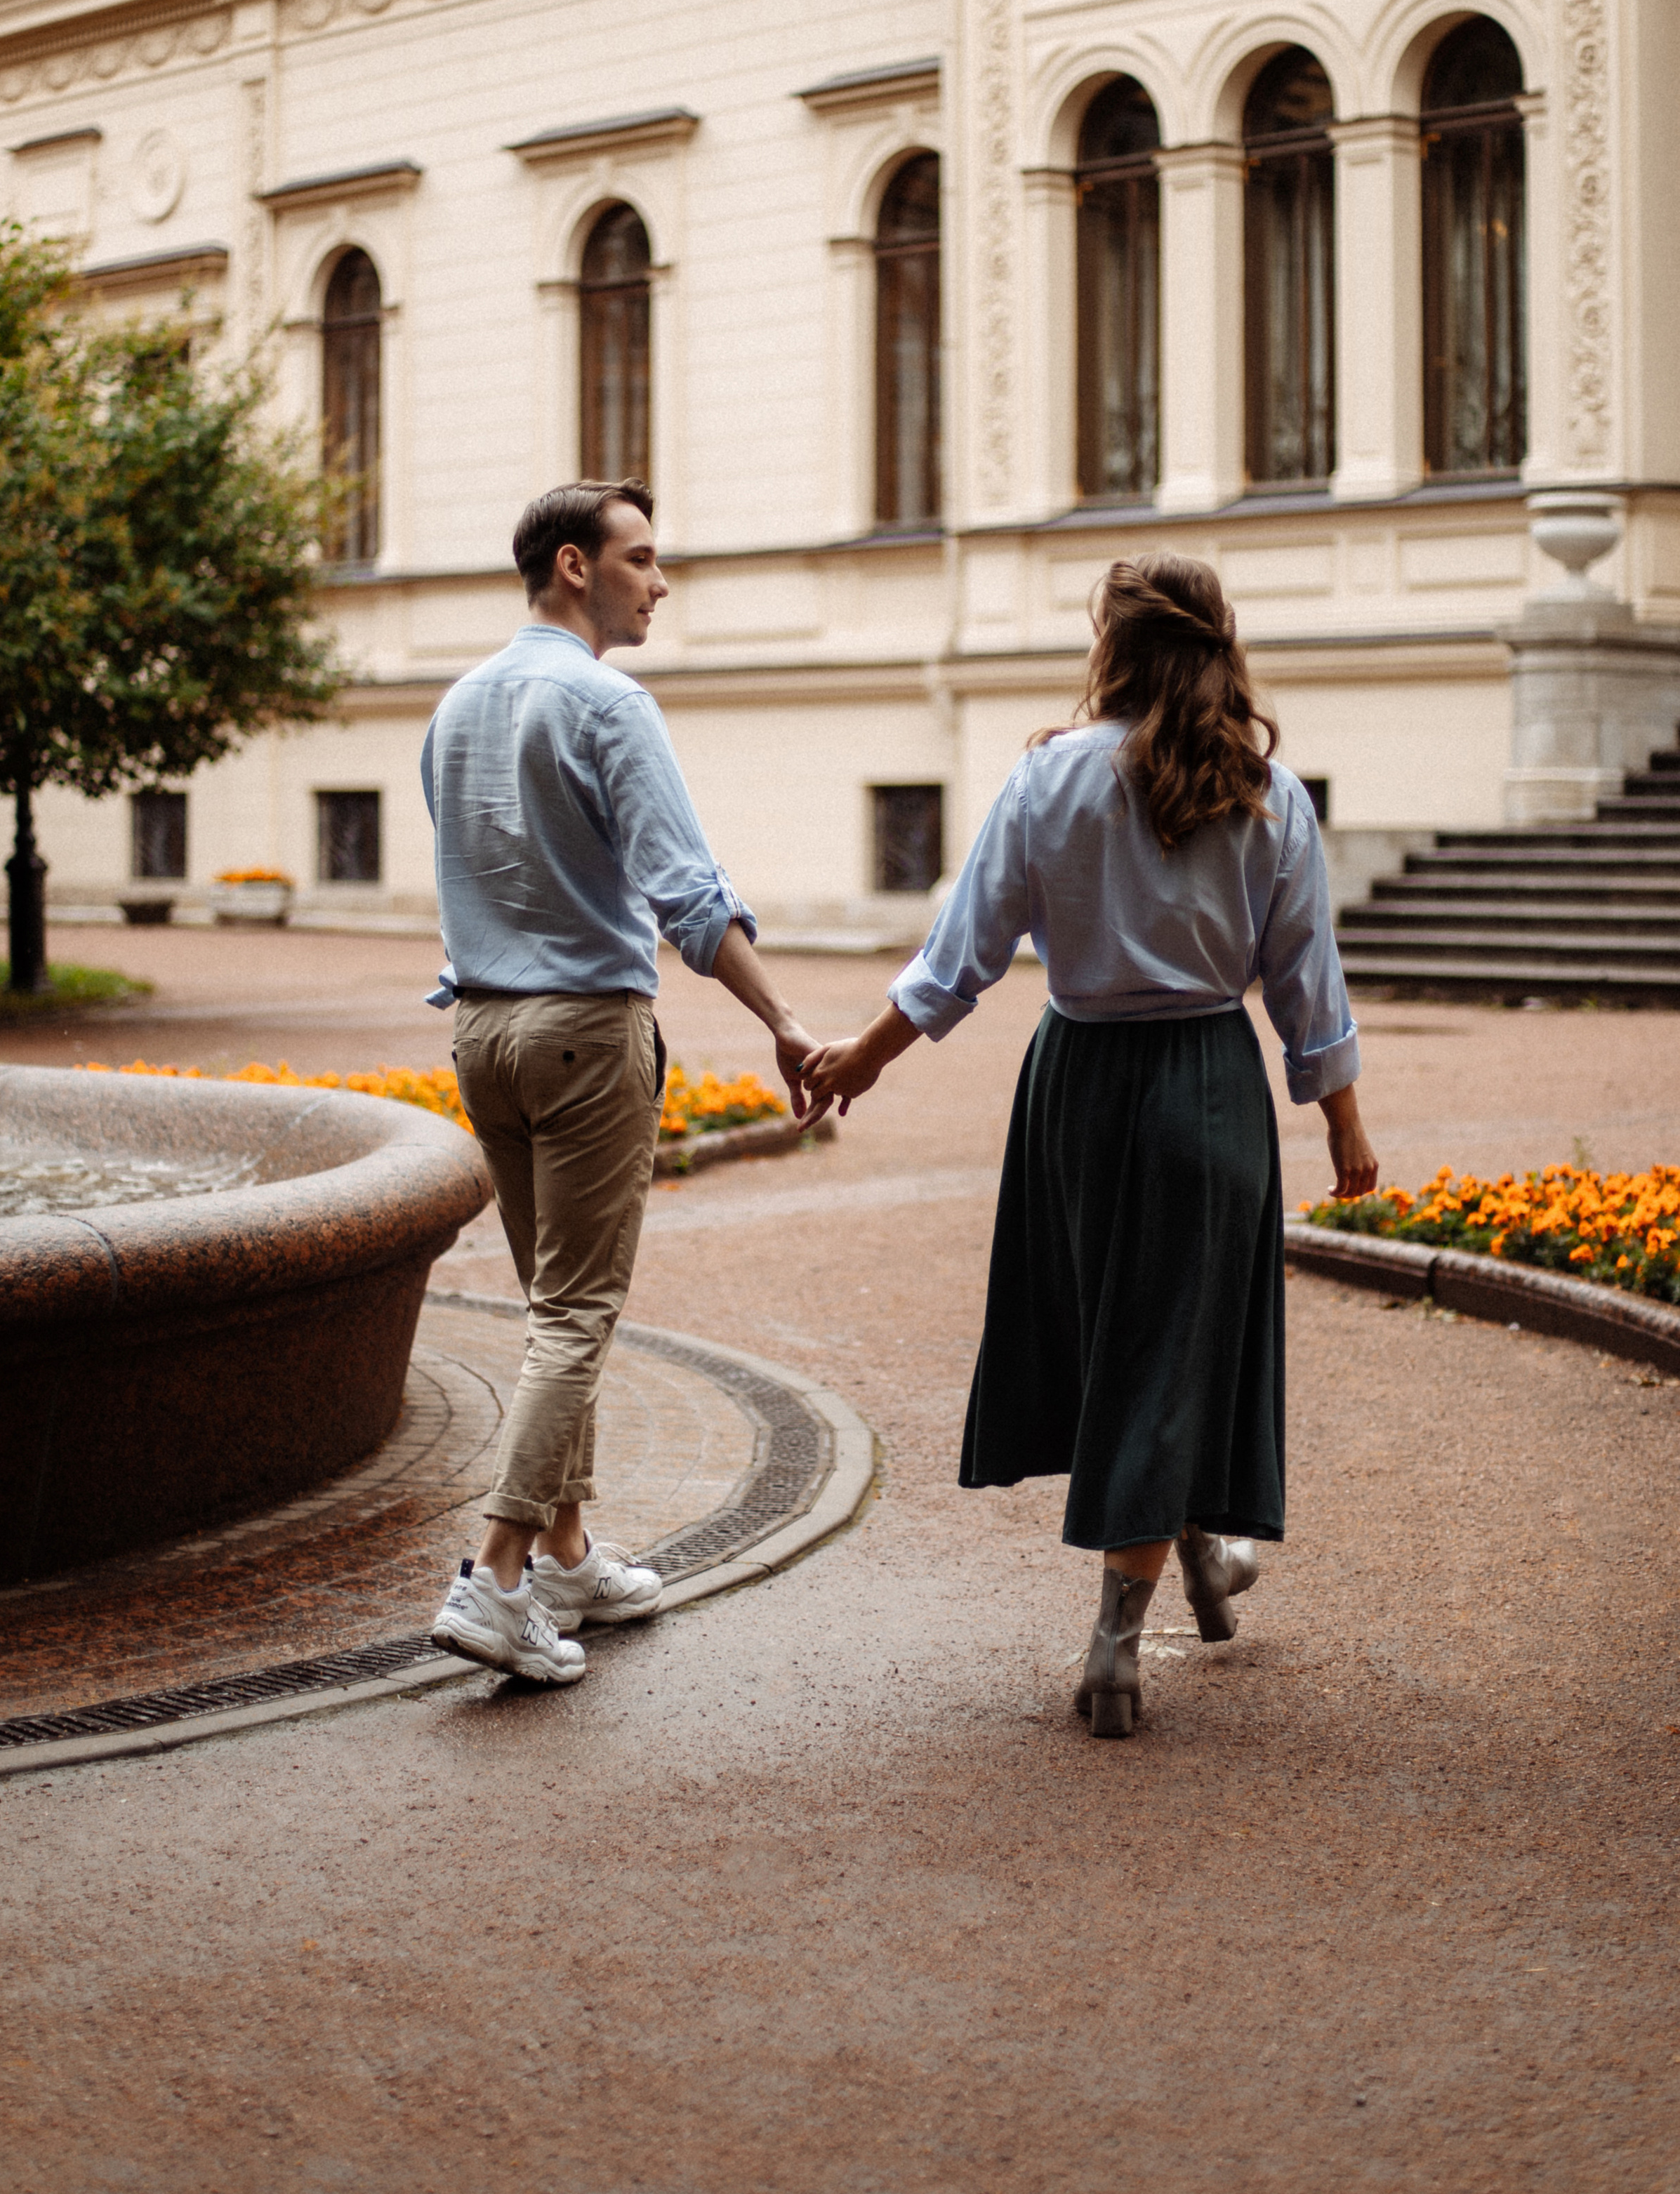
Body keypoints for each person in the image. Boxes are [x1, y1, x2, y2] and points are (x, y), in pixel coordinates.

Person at [804, 555, 1377, 1738]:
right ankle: (1117, 1639)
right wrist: (1344, 1124)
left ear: (1111, 648)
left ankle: (1194, 1555)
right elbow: (1305, 983)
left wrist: (864, 1057)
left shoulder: (1047, 777)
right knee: (1173, 1339)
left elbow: (959, 955)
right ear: (1219, 644)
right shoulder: (1266, 793)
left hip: (1076, 1086)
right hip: (1208, 1086)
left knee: (1126, 1336)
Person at [423, 477, 826, 1684]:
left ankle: (566, 1554)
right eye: (641, 558)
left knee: (553, 1305)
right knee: (576, 1312)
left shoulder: (455, 705)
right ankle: (498, 1573)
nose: (660, 582)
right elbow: (688, 895)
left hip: (482, 1032)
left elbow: (472, 872)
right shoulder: (608, 703)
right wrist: (784, 1018)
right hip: (586, 1033)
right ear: (572, 566)